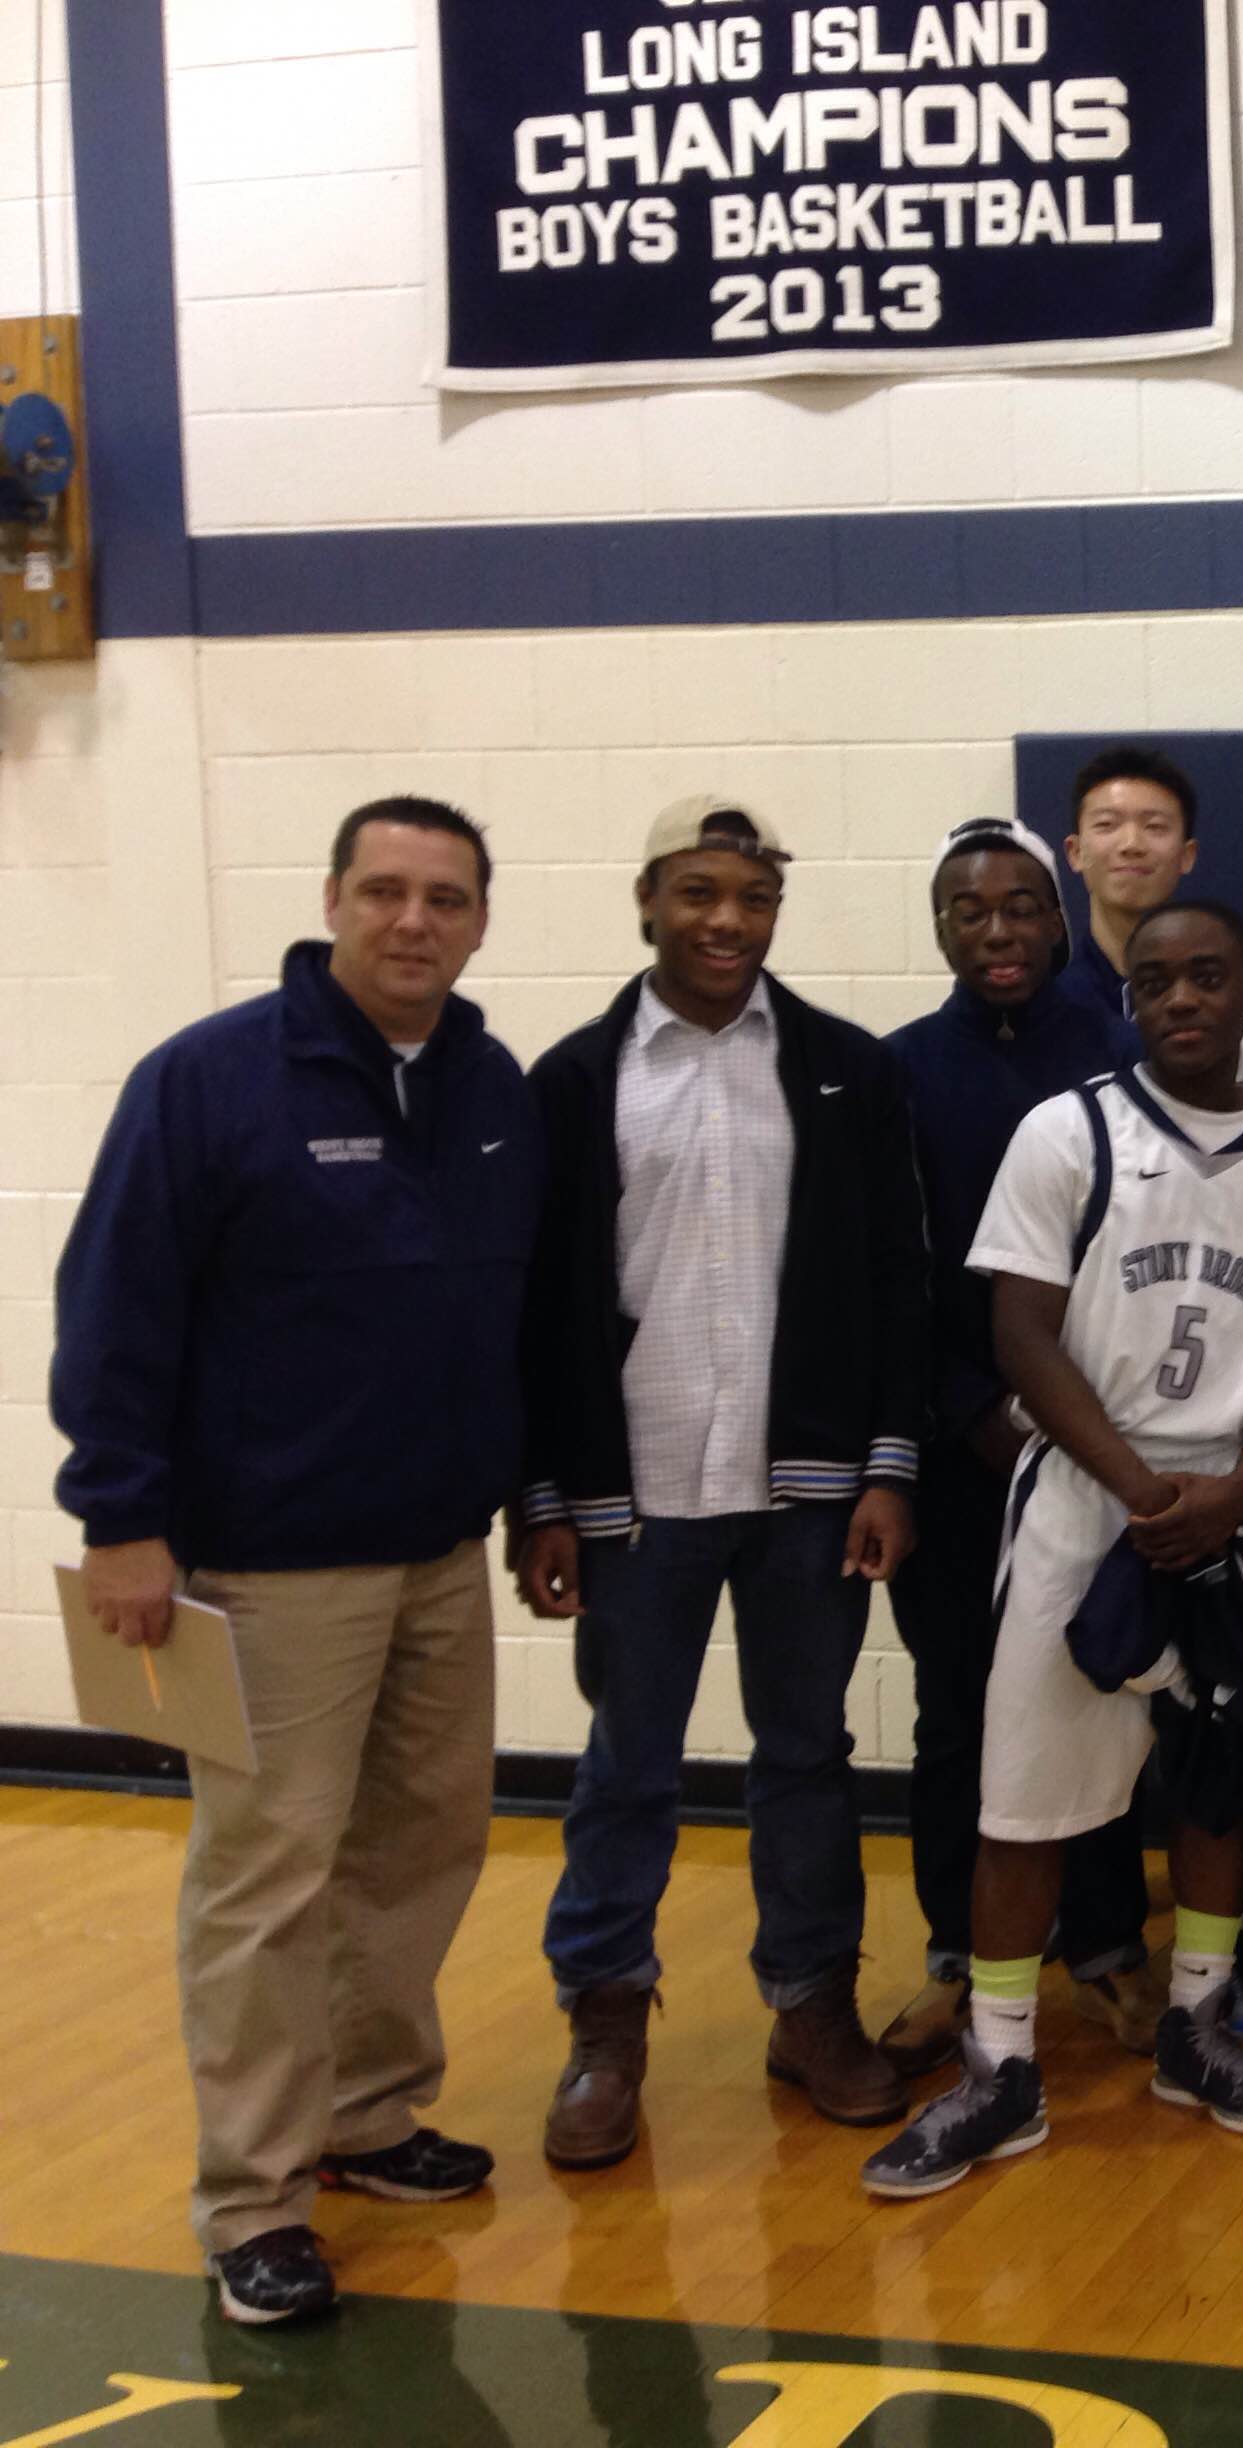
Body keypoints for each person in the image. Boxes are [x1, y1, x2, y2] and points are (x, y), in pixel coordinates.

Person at [52, 798, 539, 2326]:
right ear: (332, 899)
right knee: (266, 1882)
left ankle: (372, 2117)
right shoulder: (208, 1082)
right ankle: (251, 2200)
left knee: (422, 1844)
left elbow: (514, 1323)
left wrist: (534, 1500)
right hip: (267, 1571)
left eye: (445, 899)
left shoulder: (490, 1086)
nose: (413, 921)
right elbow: (115, 1304)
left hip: (438, 1556)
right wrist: (118, 1516)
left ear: (478, 921)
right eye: (385, 891)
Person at [862, 900, 1243, 2196]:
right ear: (1129, 1000)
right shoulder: (1066, 1134)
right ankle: (1001, 2067)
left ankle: (1196, 2024)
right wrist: (1140, 1488)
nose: (1182, 997)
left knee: (1217, 1786)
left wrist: (1235, 1491)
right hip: (1089, 1509)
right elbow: (1019, 1335)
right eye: (1156, 980)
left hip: (1232, 1516)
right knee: (1022, 1807)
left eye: (1209, 975)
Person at [516, 796, 929, 2168]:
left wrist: (887, 1466)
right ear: (648, 900)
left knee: (805, 1757)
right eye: (700, 893)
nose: (727, 922)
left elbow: (894, 1287)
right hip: (632, 1495)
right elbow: (532, 1306)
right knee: (627, 1766)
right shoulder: (573, 1083)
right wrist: (543, 1495)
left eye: (752, 899)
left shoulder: (844, 1072)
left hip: (807, 1492)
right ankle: (607, 2022)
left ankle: (811, 2005)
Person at [873, 817, 1159, 2080]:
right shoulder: (895, 1074)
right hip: (962, 1449)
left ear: (1060, 916)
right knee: (960, 1714)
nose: (997, 931)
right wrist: (967, 1408)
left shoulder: (1125, 1049)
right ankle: (959, 1958)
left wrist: (1073, 1422)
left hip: (1099, 1442)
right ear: (940, 927)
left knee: (1098, 1696)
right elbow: (896, 1277)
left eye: (1020, 908)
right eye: (969, 910)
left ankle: (1106, 1948)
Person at [1055, 745, 1202, 1036]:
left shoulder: (1219, 1001)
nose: (1132, 844)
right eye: (1107, 825)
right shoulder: (1049, 1006)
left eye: (1155, 826)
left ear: (1187, 855)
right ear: (1075, 852)